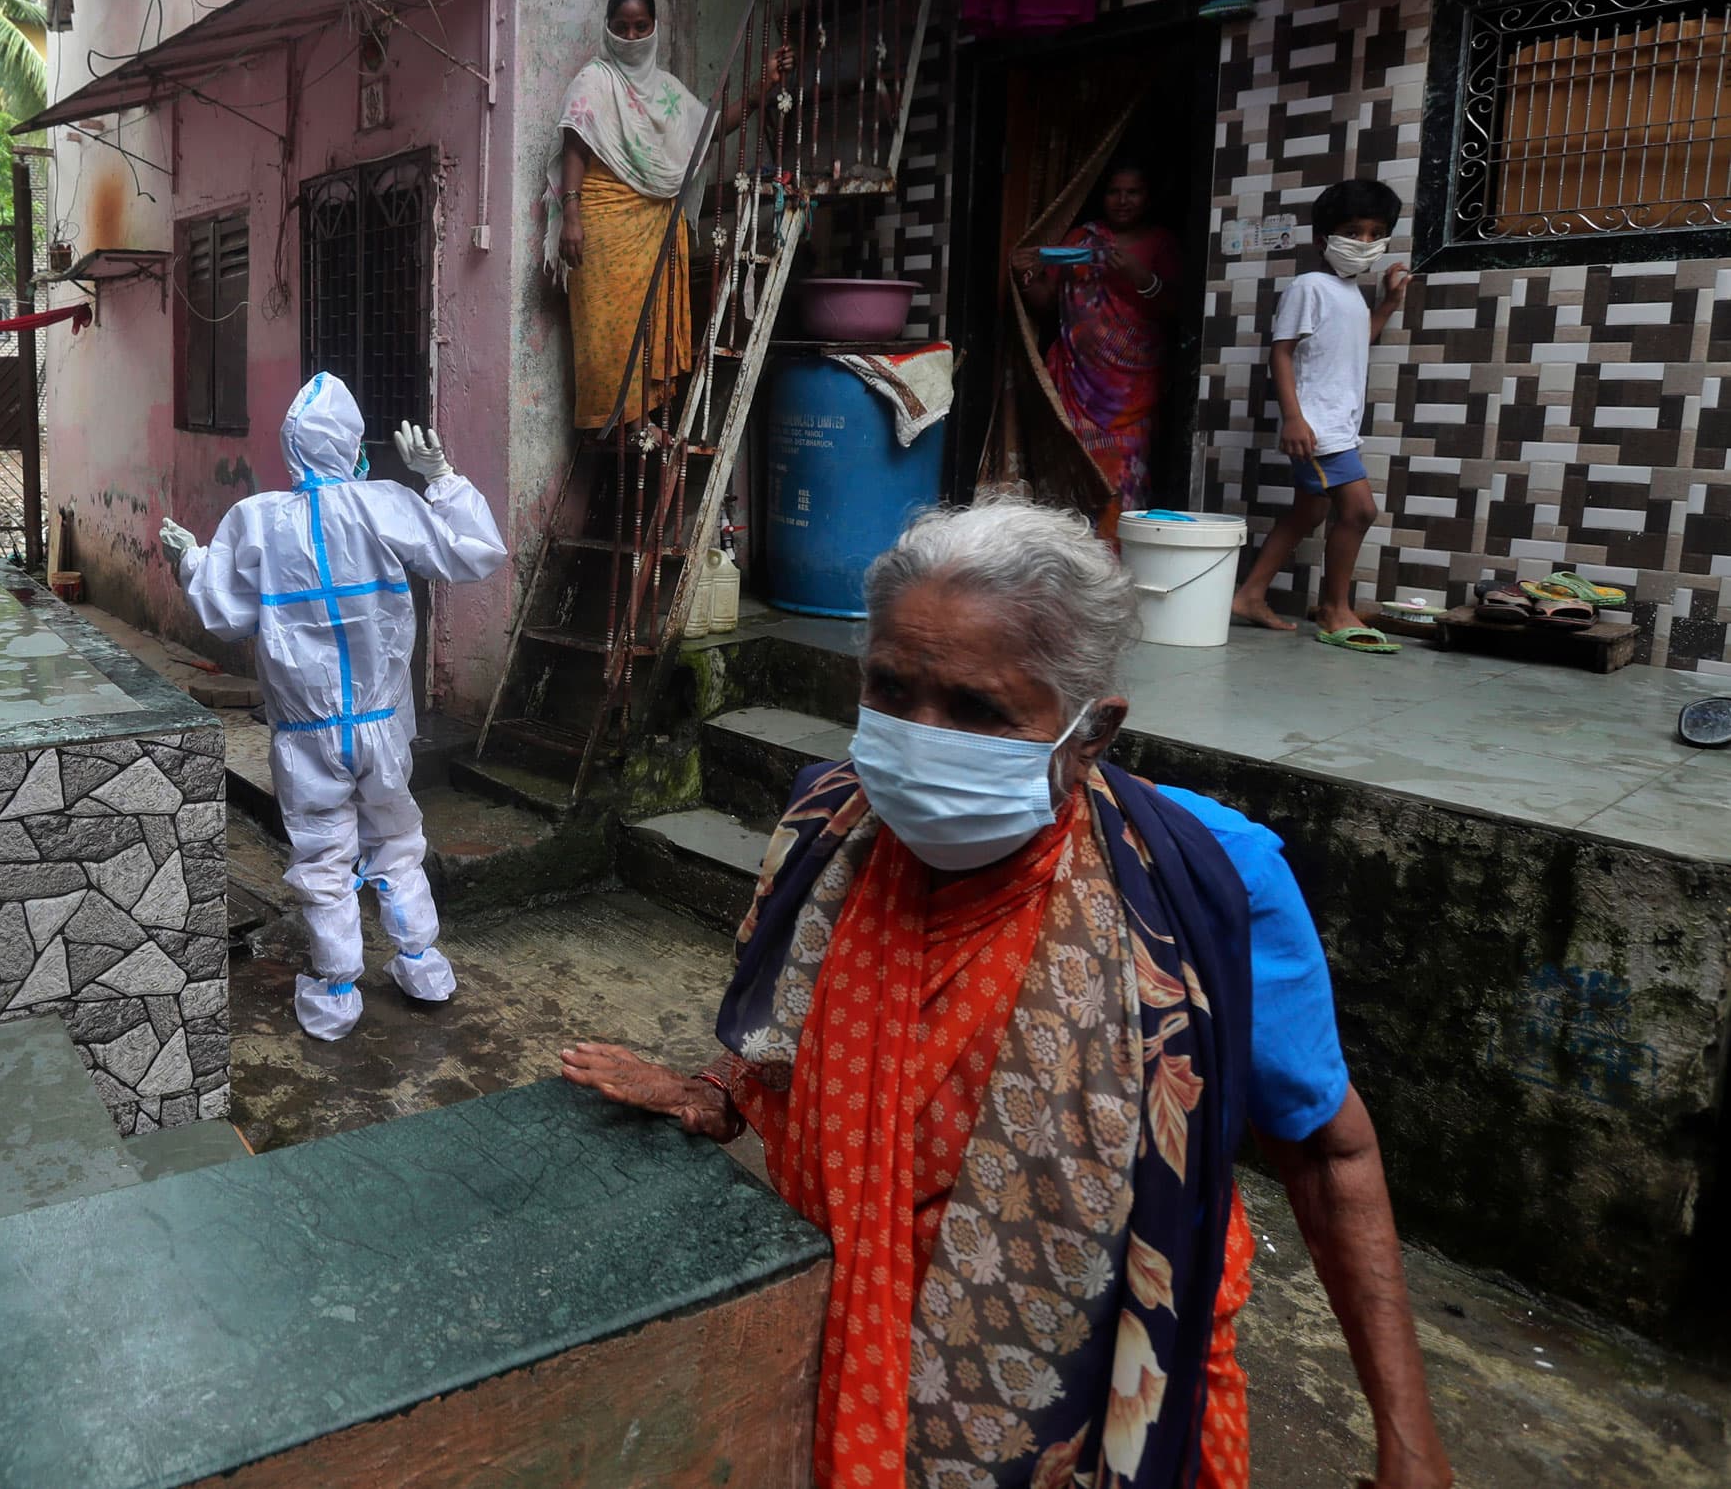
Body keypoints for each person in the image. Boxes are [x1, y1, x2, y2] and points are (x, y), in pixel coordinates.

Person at [563, 493, 1450, 1489]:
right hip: (839, 1341)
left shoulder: (1206, 886)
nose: (917, 735)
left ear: (1089, 730)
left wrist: (1408, 1440)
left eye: (978, 709)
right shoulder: (831, 829)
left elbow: (1330, 1156)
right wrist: (712, 1091)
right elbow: (800, 1026)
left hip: (1089, 1395)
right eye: (890, 689)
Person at [158, 375, 506, 1040]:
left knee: (323, 859)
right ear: (352, 448)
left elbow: (226, 615)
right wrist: (445, 479)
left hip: (307, 735)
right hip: (381, 726)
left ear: (293, 449)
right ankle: (421, 961)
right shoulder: (386, 504)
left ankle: (337, 989)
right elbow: (474, 553)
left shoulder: (256, 520)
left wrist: (191, 561)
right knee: (397, 840)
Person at [550, 0, 790, 432]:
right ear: (608, 29)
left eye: (640, 26)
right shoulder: (595, 80)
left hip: (654, 228)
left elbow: (708, 129)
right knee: (606, 340)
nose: (631, 35)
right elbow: (574, 149)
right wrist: (572, 215)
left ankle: (643, 431)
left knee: (649, 333)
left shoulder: (666, 91)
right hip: (602, 227)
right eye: (621, 27)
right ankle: (620, 430)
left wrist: (763, 86)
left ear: (654, 28)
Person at [1231, 178, 1413, 650]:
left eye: (1376, 233)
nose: (1365, 243)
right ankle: (1335, 609)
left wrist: (1389, 304)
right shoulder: (1309, 286)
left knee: (1307, 512)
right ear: (1322, 239)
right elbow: (1282, 352)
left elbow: (1357, 340)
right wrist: (1294, 418)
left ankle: (1249, 596)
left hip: (1337, 426)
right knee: (1359, 510)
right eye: (1354, 231)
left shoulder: (1350, 294)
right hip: (1318, 428)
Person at [1011, 159, 1186, 518]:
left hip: (1130, 396)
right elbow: (1047, 303)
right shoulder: (1080, 239)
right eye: (1114, 192)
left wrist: (1142, 277)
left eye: (1133, 192)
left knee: (1122, 488)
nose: (1123, 200)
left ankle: (1113, 568)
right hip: (1076, 388)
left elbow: (1177, 310)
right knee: (1072, 484)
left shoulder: (1161, 245)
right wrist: (1026, 276)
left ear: (1148, 197)